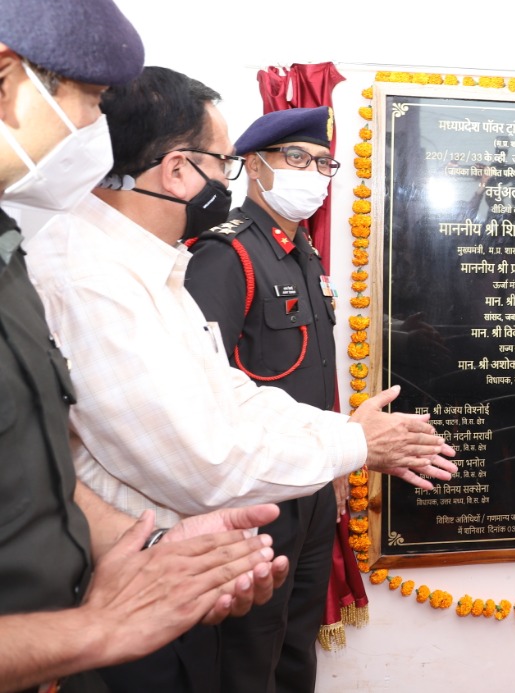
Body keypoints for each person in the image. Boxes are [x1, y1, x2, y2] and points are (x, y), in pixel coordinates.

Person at [25, 65, 457, 693]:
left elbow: (227, 391)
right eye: (224, 164)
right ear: (178, 170)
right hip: (133, 582)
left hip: (187, 557)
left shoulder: (149, 265)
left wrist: (346, 435)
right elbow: (204, 459)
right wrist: (356, 443)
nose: (225, 181)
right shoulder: (93, 280)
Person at [0, 0, 291, 693]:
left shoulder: (8, 259)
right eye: (88, 101)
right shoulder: (68, 265)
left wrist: (156, 551)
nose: (95, 134)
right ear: (6, 79)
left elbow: (41, 473)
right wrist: (89, 631)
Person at [184, 106, 345, 693]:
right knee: (249, 650)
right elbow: (201, 387)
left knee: (297, 643)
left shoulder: (305, 254)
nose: (314, 173)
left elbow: (312, 376)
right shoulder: (226, 255)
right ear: (254, 166)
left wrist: (335, 466)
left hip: (312, 483)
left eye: (324, 163)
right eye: (297, 158)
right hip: (257, 491)